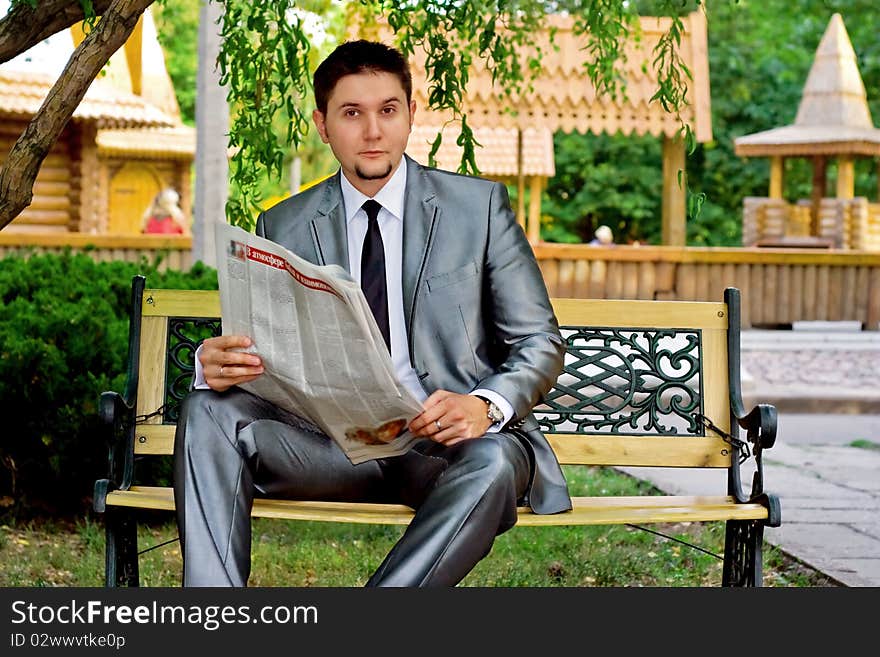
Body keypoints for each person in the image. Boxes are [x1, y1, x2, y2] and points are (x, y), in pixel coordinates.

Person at [173, 39, 571, 587]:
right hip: (330, 448)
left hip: (449, 451)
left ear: (411, 114)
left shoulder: (477, 209)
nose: (373, 131)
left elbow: (540, 343)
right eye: (351, 113)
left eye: (387, 110)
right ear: (322, 124)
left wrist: (483, 406)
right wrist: (214, 364)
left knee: (495, 462)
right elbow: (264, 356)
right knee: (207, 410)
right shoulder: (282, 225)